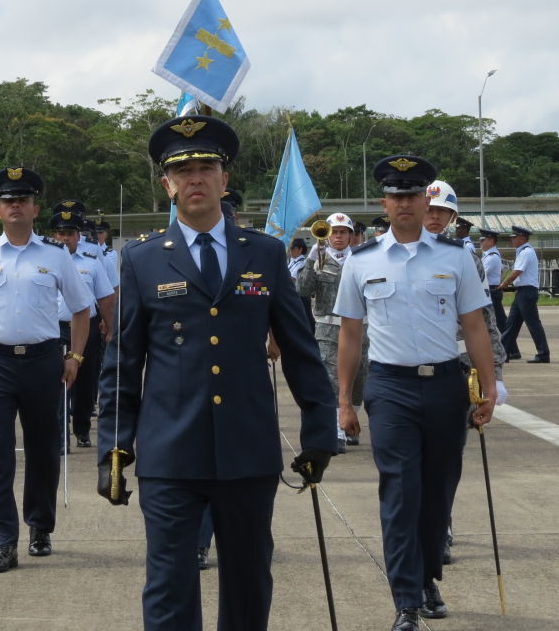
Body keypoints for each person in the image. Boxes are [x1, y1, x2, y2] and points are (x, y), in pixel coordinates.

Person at [95, 115, 338, 631]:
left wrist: (319, 431)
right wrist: (113, 447)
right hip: (169, 454)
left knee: (249, 582)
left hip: (246, 451)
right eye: (183, 171)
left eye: (207, 167)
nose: (196, 178)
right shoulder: (141, 261)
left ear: (224, 179)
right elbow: (122, 363)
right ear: (168, 184)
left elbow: (300, 351)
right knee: (169, 585)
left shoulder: (266, 255)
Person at [334, 155, 497, 630]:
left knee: (438, 490)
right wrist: (344, 400)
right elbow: (350, 334)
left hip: (446, 386)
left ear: (427, 199)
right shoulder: (361, 262)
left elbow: (474, 326)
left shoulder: (454, 257)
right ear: (384, 203)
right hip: (390, 389)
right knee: (401, 491)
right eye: (395, 195)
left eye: (413, 194)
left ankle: (427, 576)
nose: (404, 202)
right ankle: (406, 597)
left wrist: (488, 389)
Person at [0, 167, 94, 573]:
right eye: (8, 201)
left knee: (44, 449)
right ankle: (3, 541)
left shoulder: (55, 255)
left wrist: (76, 357)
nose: (16, 206)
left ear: (34, 209)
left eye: (23, 200)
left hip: (43, 361)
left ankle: (40, 526)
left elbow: (82, 309)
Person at [420, 180, 508, 564]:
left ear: (453, 217)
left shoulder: (466, 258)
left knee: (445, 457)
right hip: (401, 371)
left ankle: (442, 523)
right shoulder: (387, 254)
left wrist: (496, 375)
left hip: (455, 370)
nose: (435, 217)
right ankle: (416, 528)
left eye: (444, 212)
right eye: (430, 209)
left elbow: (484, 319)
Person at [296, 212, 368, 453]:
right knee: (332, 381)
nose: (338, 236)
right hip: (328, 329)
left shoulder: (361, 260)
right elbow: (302, 290)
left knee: (360, 381)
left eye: (343, 232)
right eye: (334, 232)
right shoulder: (319, 260)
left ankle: (350, 424)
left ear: (351, 236)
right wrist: (310, 261)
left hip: (360, 330)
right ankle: (337, 430)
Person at [50, 208, 117, 449]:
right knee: (56, 382)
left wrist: (110, 329)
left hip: (85, 329)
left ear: (79, 236)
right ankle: (60, 436)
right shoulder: (44, 263)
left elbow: (106, 298)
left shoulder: (93, 264)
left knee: (86, 380)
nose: (65, 238)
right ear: (54, 236)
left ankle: (81, 428)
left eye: (70, 233)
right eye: (61, 234)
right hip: (54, 329)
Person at [498, 225, 550, 363]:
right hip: (522, 292)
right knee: (511, 325)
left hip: (526, 292)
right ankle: (503, 353)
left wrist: (504, 284)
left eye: (514, 238)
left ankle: (543, 353)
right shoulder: (523, 252)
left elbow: (517, 272)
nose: (512, 240)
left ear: (522, 238)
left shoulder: (526, 252)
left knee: (533, 324)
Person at [480, 229, 507, 333]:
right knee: (498, 320)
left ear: (491, 241)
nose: (481, 243)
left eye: (483, 240)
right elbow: (502, 270)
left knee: (500, 321)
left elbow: (480, 274)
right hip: (491, 289)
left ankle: (511, 347)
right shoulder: (491, 255)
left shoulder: (492, 257)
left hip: (491, 290)